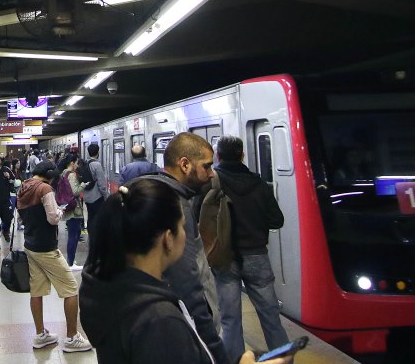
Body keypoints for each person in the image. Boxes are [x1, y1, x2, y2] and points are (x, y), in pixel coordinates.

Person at [79, 180, 289, 364]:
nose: (186, 235)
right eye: (183, 226)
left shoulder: (105, 288)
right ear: (167, 239)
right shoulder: (159, 322)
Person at [136, 132, 227, 364]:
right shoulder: (176, 206)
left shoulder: (153, 194)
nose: (211, 173)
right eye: (206, 166)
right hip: (184, 322)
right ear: (185, 164)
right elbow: (186, 279)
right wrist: (215, 348)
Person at [212, 136, 290, 360]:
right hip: (257, 255)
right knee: (270, 316)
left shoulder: (214, 182)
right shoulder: (260, 185)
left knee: (230, 319)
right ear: (242, 155)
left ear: (218, 155)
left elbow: (202, 217)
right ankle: (283, 359)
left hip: (226, 257)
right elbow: (277, 220)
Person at [17, 161, 93, 353]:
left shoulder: (24, 186)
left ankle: (41, 335)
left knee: (37, 291)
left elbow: (21, 216)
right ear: (50, 174)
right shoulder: (44, 189)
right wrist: (60, 210)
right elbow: (52, 218)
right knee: (71, 288)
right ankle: (72, 338)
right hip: (46, 247)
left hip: (31, 244)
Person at [57, 154, 85, 270]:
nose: (77, 165)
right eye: (76, 163)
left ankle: (70, 261)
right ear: (72, 163)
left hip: (67, 207)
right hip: (74, 209)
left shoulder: (63, 173)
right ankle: (70, 262)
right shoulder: (72, 175)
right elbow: (75, 192)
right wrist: (83, 185)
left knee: (74, 234)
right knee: (74, 235)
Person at [83, 144, 110, 228]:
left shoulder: (86, 163)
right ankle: (96, 237)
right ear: (98, 152)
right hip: (96, 197)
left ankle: (91, 237)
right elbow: (101, 184)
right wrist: (106, 196)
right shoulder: (97, 165)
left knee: (90, 217)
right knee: (98, 219)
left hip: (87, 197)